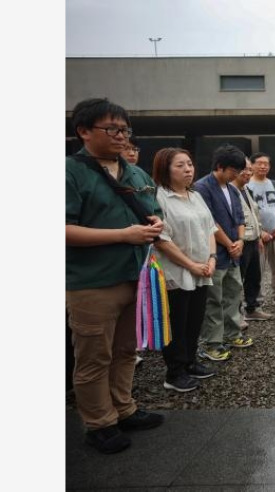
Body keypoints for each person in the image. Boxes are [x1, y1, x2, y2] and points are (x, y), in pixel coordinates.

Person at [66, 97, 166, 454]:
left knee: (126, 349)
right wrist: (123, 235)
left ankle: (124, 408)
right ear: (83, 131)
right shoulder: (68, 172)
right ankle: (99, 423)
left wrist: (155, 222)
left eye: (125, 129)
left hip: (135, 277)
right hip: (92, 282)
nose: (122, 136)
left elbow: (151, 211)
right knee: (94, 355)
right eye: (113, 129)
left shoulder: (135, 172)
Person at [152, 148, 219, 392]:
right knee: (176, 322)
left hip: (202, 269)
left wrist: (211, 258)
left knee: (194, 319)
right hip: (176, 271)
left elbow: (210, 228)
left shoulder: (195, 196)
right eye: (180, 165)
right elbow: (161, 239)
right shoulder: (159, 198)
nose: (188, 169)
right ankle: (174, 372)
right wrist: (191, 265)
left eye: (189, 164)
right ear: (165, 169)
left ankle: (191, 361)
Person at [193, 144, 254, 362]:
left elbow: (239, 218)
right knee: (214, 300)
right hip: (215, 254)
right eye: (234, 171)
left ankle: (232, 333)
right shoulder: (202, 188)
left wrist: (239, 240)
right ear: (220, 167)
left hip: (232, 253)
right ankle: (213, 343)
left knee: (233, 294)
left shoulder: (232, 189)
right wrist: (230, 244)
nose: (237, 175)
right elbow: (209, 222)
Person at [231, 157, 273, 322]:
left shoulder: (245, 189)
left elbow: (254, 215)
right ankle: (235, 316)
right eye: (245, 169)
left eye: (249, 170)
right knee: (236, 280)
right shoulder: (230, 190)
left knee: (254, 277)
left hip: (253, 240)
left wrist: (259, 236)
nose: (248, 173)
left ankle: (252, 307)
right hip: (240, 242)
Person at [246, 152, 275, 308]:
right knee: (257, 268)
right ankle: (257, 297)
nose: (263, 166)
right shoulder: (246, 185)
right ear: (251, 165)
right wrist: (260, 233)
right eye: (259, 163)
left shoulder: (274, 184)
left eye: (266, 163)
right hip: (256, 236)